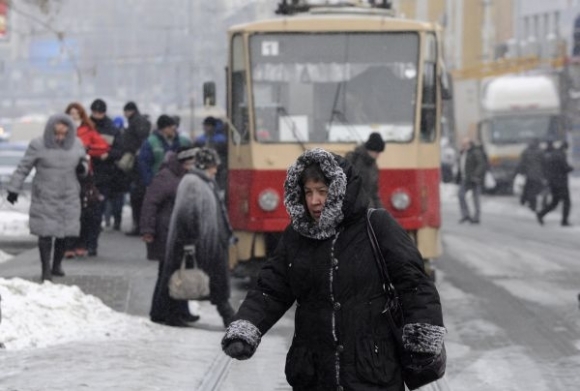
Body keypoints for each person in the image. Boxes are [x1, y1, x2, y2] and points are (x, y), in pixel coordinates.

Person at [221, 148, 445, 390]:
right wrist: (246, 327)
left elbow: (414, 284)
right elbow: (271, 288)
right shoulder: (296, 237)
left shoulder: (377, 226)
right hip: (314, 373)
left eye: (322, 192)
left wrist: (422, 337)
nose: (314, 200)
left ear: (340, 191)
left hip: (371, 369)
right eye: (308, 192)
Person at [156, 147, 236, 327]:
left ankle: (169, 314)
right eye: (213, 165)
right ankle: (228, 316)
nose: (216, 169)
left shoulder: (204, 181)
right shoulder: (193, 182)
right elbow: (187, 214)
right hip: (196, 243)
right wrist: (189, 243)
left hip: (207, 242)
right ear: (205, 165)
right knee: (192, 279)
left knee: (208, 280)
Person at [6, 114, 88, 282]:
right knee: (45, 234)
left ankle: (56, 265)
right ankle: (46, 271)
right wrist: (14, 189)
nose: (60, 138)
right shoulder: (38, 145)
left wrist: (82, 168)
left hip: (69, 195)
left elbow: (85, 164)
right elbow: (24, 167)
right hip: (45, 195)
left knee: (64, 233)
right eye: (56, 134)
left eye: (64, 134)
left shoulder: (77, 144)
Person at [141, 146, 199, 325]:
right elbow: (150, 204)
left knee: (179, 272)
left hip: (180, 233)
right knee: (170, 274)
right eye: (189, 161)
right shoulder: (166, 177)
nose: (192, 164)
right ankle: (168, 314)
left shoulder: (186, 176)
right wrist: (148, 230)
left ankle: (176, 311)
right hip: (166, 233)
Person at [65, 102, 110, 257]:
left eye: (76, 113)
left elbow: (103, 146)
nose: (73, 116)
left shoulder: (88, 131)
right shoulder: (62, 130)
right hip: (65, 173)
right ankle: (67, 244)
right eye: (71, 113)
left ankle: (81, 243)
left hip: (83, 175)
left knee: (85, 211)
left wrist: (88, 150)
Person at [90, 98, 127, 232]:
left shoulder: (112, 129)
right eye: (95, 112)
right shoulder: (86, 126)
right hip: (89, 170)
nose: (97, 115)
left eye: (100, 113)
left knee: (102, 203)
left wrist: (109, 154)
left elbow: (120, 150)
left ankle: (99, 227)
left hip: (106, 172)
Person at [137, 114, 192, 188]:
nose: (173, 130)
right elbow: (144, 165)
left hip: (181, 183)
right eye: (170, 128)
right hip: (159, 184)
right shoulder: (151, 142)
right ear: (163, 129)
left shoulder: (183, 141)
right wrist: (150, 183)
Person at [122, 101, 151, 236]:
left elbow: (138, 139)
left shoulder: (136, 122)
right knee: (137, 196)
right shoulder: (139, 121)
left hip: (137, 166)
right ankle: (139, 224)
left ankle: (139, 225)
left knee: (137, 196)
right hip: (137, 165)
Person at [536, 140, 573, 226]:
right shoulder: (561, 155)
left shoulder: (553, 155)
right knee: (566, 202)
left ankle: (541, 214)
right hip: (561, 183)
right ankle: (564, 221)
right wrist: (571, 168)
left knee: (554, 202)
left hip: (553, 183)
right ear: (564, 147)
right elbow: (565, 168)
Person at [345, 132, 385, 208]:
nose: (378, 155)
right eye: (377, 152)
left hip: (367, 208)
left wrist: (381, 211)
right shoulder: (353, 160)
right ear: (370, 149)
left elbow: (374, 193)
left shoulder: (374, 167)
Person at [456, 137, 487, 224]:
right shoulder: (463, 153)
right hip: (465, 178)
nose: (463, 146)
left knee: (475, 198)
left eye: (464, 144)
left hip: (474, 179)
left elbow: (481, 164)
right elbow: (461, 165)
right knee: (461, 195)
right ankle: (465, 214)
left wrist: (476, 175)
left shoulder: (475, 152)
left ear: (469, 144)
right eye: (462, 144)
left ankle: (476, 217)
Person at [194, 116, 227, 191]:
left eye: (208, 126)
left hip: (219, 169)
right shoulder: (200, 140)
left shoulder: (222, 140)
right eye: (205, 126)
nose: (205, 128)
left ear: (213, 127)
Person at [516, 138, 545, 212]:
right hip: (538, 174)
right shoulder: (540, 152)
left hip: (528, 174)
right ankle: (532, 204)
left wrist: (521, 171)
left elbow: (522, 163)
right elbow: (544, 163)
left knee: (528, 188)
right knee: (534, 190)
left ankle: (525, 201)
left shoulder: (526, 151)